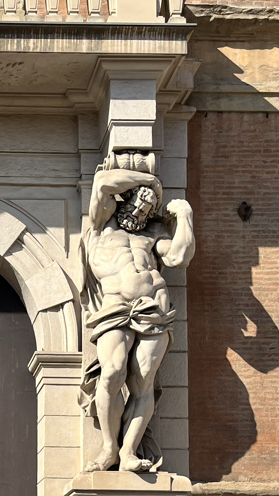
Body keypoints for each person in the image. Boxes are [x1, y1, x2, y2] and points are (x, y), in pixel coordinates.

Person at [76, 154, 195, 472]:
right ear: (125, 199)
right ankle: (109, 448)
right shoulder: (100, 227)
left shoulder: (153, 236)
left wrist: (184, 215)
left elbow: (180, 257)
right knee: (112, 373)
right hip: (114, 307)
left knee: (143, 381)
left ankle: (128, 453)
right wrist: (151, 182)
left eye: (148, 209)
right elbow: (103, 183)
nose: (141, 212)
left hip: (153, 308)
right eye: (138, 204)